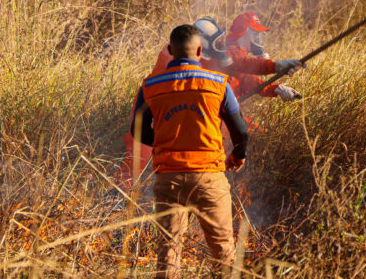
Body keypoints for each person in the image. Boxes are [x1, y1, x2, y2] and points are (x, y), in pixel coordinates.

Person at [130, 24, 248, 279]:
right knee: (223, 246)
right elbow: (240, 130)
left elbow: (138, 131)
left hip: (168, 177)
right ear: (199, 50)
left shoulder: (150, 85)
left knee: (169, 246)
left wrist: (164, 141)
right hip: (210, 176)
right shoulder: (218, 83)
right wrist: (238, 154)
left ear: (170, 50)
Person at [117, 15, 301, 188]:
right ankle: (118, 196)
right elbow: (165, 96)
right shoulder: (171, 59)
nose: (222, 47)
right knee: (138, 159)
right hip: (155, 111)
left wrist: (275, 72)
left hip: (187, 114)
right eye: (217, 43)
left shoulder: (208, 54)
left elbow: (240, 70)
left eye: (221, 41)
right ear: (200, 48)